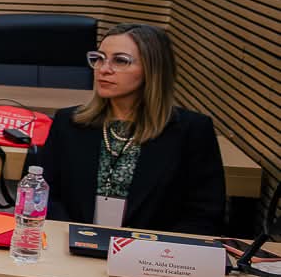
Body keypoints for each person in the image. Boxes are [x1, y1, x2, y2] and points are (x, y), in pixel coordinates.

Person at [33, 23, 225, 235]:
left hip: (151, 257)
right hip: (71, 247)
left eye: (120, 61)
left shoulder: (192, 130)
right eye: (99, 58)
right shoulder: (69, 121)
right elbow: (44, 194)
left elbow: (205, 214)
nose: (104, 69)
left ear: (152, 69)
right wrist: (72, 236)